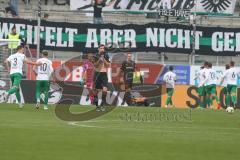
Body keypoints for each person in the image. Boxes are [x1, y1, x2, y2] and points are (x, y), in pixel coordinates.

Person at [92, 44, 110, 111]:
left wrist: (104, 59)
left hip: (104, 74)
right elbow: (95, 65)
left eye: (103, 48)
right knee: (96, 91)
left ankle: (102, 105)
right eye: (101, 48)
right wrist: (100, 59)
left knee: (105, 90)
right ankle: (97, 106)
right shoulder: (95, 55)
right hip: (97, 74)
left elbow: (108, 65)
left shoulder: (106, 55)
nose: (103, 49)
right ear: (98, 49)